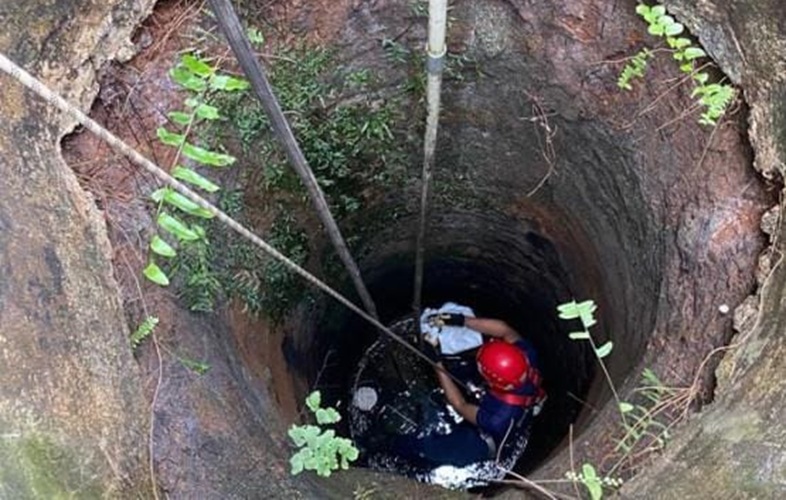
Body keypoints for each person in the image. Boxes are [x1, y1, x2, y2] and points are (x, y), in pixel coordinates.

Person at [392, 313, 545, 468]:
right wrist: (461, 320)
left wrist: (436, 362)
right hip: (518, 403)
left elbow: (460, 405)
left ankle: (400, 447)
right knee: (459, 370)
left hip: (484, 441)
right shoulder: (526, 355)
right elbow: (504, 330)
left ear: (492, 383)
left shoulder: (497, 418)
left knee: (431, 449)